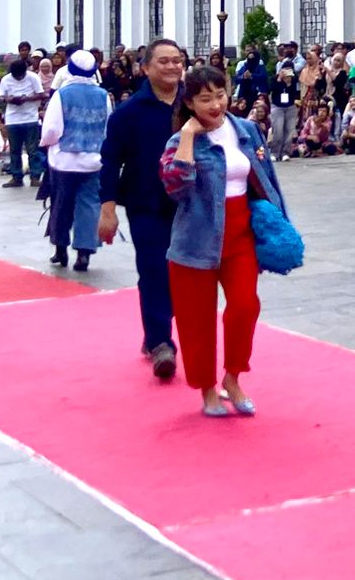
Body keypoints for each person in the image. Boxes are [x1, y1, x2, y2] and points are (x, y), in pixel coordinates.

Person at [159, 63, 288, 418]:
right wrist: (187, 136)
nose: (216, 105)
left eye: (220, 95)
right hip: (195, 241)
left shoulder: (245, 130)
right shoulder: (179, 140)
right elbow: (175, 187)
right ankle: (207, 390)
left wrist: (282, 224)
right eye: (205, 99)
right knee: (196, 320)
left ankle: (233, 377)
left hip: (241, 235)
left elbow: (267, 179)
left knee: (245, 306)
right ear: (189, 103)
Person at [99, 40, 184, 380]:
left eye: (177, 61)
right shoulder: (128, 113)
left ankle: (154, 334)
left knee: (184, 274)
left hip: (189, 206)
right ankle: (161, 341)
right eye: (164, 61)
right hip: (145, 204)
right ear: (145, 68)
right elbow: (109, 162)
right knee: (153, 271)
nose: (172, 67)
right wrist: (107, 210)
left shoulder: (194, 104)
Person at [40, 50, 112, 271]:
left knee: (61, 204)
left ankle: (60, 248)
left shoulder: (62, 94)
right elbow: (108, 126)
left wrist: (46, 144)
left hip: (64, 160)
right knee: (89, 205)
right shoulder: (103, 96)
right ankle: (84, 253)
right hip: (93, 160)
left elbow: (52, 128)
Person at [267, 60, 300, 161]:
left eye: (290, 70)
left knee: (289, 130)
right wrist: (280, 79)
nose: (287, 72)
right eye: (285, 69)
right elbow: (271, 90)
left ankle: (285, 152)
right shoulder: (274, 78)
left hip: (290, 107)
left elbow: (294, 94)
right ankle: (275, 152)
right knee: (278, 130)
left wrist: (289, 83)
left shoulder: (294, 80)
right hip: (277, 107)